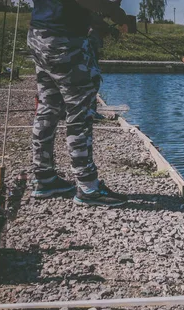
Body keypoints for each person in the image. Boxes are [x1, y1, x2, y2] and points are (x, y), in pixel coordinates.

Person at [28, 0, 130, 206]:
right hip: (65, 41)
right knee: (79, 112)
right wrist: (113, 10)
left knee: (48, 107)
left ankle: (44, 177)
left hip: (40, 35)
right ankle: (88, 187)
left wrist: (94, 20)